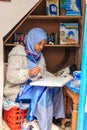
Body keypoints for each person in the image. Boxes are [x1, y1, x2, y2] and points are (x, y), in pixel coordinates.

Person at [4, 28, 65, 130]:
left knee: (56, 87)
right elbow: (10, 76)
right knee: (43, 91)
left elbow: (43, 71)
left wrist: (53, 77)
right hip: (18, 89)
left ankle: (53, 119)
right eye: (39, 43)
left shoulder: (39, 56)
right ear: (32, 40)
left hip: (32, 86)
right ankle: (40, 124)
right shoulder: (17, 52)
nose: (41, 47)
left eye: (43, 44)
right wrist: (28, 72)